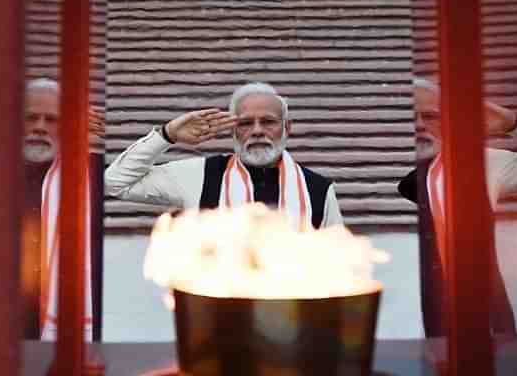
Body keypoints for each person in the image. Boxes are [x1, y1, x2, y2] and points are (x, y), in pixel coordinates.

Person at [398, 77, 517, 337]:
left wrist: (515, 124)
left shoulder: (484, 162)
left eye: (430, 116)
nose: (420, 125)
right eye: (413, 117)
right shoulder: (413, 180)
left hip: (487, 316)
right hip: (433, 320)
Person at [105, 82, 343, 229]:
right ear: (233, 129)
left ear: (287, 128)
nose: (257, 130)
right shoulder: (200, 174)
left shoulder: (318, 189)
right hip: (216, 308)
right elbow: (116, 183)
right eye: (246, 123)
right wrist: (167, 135)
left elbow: (337, 264)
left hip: (292, 308)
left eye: (268, 122)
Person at [21, 78, 104, 341]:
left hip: (70, 330)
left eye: (51, 120)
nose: (39, 128)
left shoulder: (94, 176)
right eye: (30, 118)